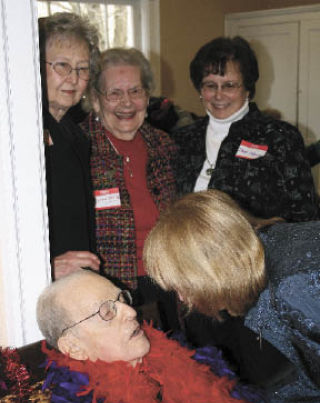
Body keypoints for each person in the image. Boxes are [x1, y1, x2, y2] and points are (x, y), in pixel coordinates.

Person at [30, 269, 304, 403]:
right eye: (106, 311)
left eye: (121, 299)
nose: (128, 311)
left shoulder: (183, 363)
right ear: (74, 347)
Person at [144, 189, 320, 403]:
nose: (183, 299)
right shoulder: (268, 253)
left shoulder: (294, 284)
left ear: (210, 269)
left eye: (182, 285)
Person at [81, 48, 178, 330]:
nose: (126, 103)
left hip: (166, 282)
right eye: (114, 93)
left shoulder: (164, 145)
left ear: (147, 97)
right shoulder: (78, 148)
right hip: (106, 289)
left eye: (135, 91)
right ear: (97, 100)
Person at [171, 36, 319, 222]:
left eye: (229, 85)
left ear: (247, 88)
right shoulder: (181, 139)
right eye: (210, 85)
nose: (218, 95)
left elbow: (305, 215)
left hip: (257, 249)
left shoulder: (279, 137)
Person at [39, 13, 101, 280]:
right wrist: (46, 265)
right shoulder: (17, 134)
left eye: (82, 68)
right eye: (62, 65)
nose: (73, 78)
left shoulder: (75, 134)